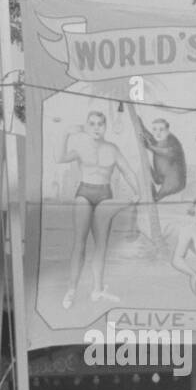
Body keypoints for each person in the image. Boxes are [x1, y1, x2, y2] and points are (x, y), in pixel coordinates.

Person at [56, 110, 142, 309]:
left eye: (100, 124)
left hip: (105, 194)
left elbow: (127, 171)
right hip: (84, 192)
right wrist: (65, 134)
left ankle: (97, 289)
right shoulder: (80, 147)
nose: (96, 127)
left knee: (101, 245)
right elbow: (59, 158)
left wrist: (138, 192)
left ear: (105, 127)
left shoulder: (112, 148)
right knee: (80, 243)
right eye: (92, 123)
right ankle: (71, 290)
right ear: (87, 126)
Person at [137, 116, 187, 202]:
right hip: (161, 175)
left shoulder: (172, 140)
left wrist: (150, 147)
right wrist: (141, 125)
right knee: (148, 169)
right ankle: (157, 181)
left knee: (157, 196)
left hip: (173, 181)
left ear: (167, 130)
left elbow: (168, 152)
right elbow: (151, 139)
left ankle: (157, 196)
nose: (158, 132)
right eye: (155, 129)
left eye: (161, 129)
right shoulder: (160, 139)